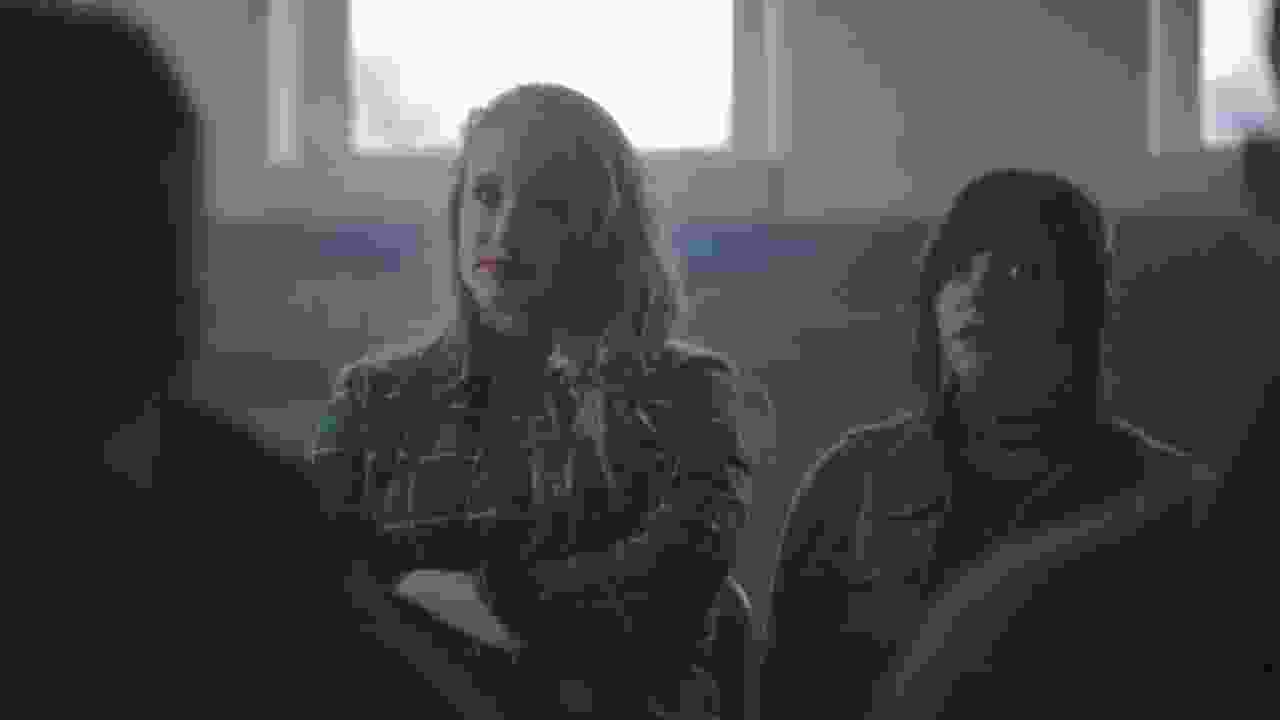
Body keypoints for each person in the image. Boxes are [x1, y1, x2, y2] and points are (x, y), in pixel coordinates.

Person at [12, 3, 504, 715]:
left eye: (171, 223)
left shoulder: (241, 497)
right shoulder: (245, 506)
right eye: (102, 231)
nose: (180, 278)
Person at [309, 83, 756, 718]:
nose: (506, 230)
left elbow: (673, 586)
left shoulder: (688, 390)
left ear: (606, 228)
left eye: (548, 206)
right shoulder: (372, 400)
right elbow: (318, 598)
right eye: (488, 196)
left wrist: (483, 598)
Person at [763, 169, 1232, 717]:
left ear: (1081, 305)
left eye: (1020, 270)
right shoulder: (850, 488)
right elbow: (788, 693)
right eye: (959, 268)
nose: (979, 290)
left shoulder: (1175, 505)